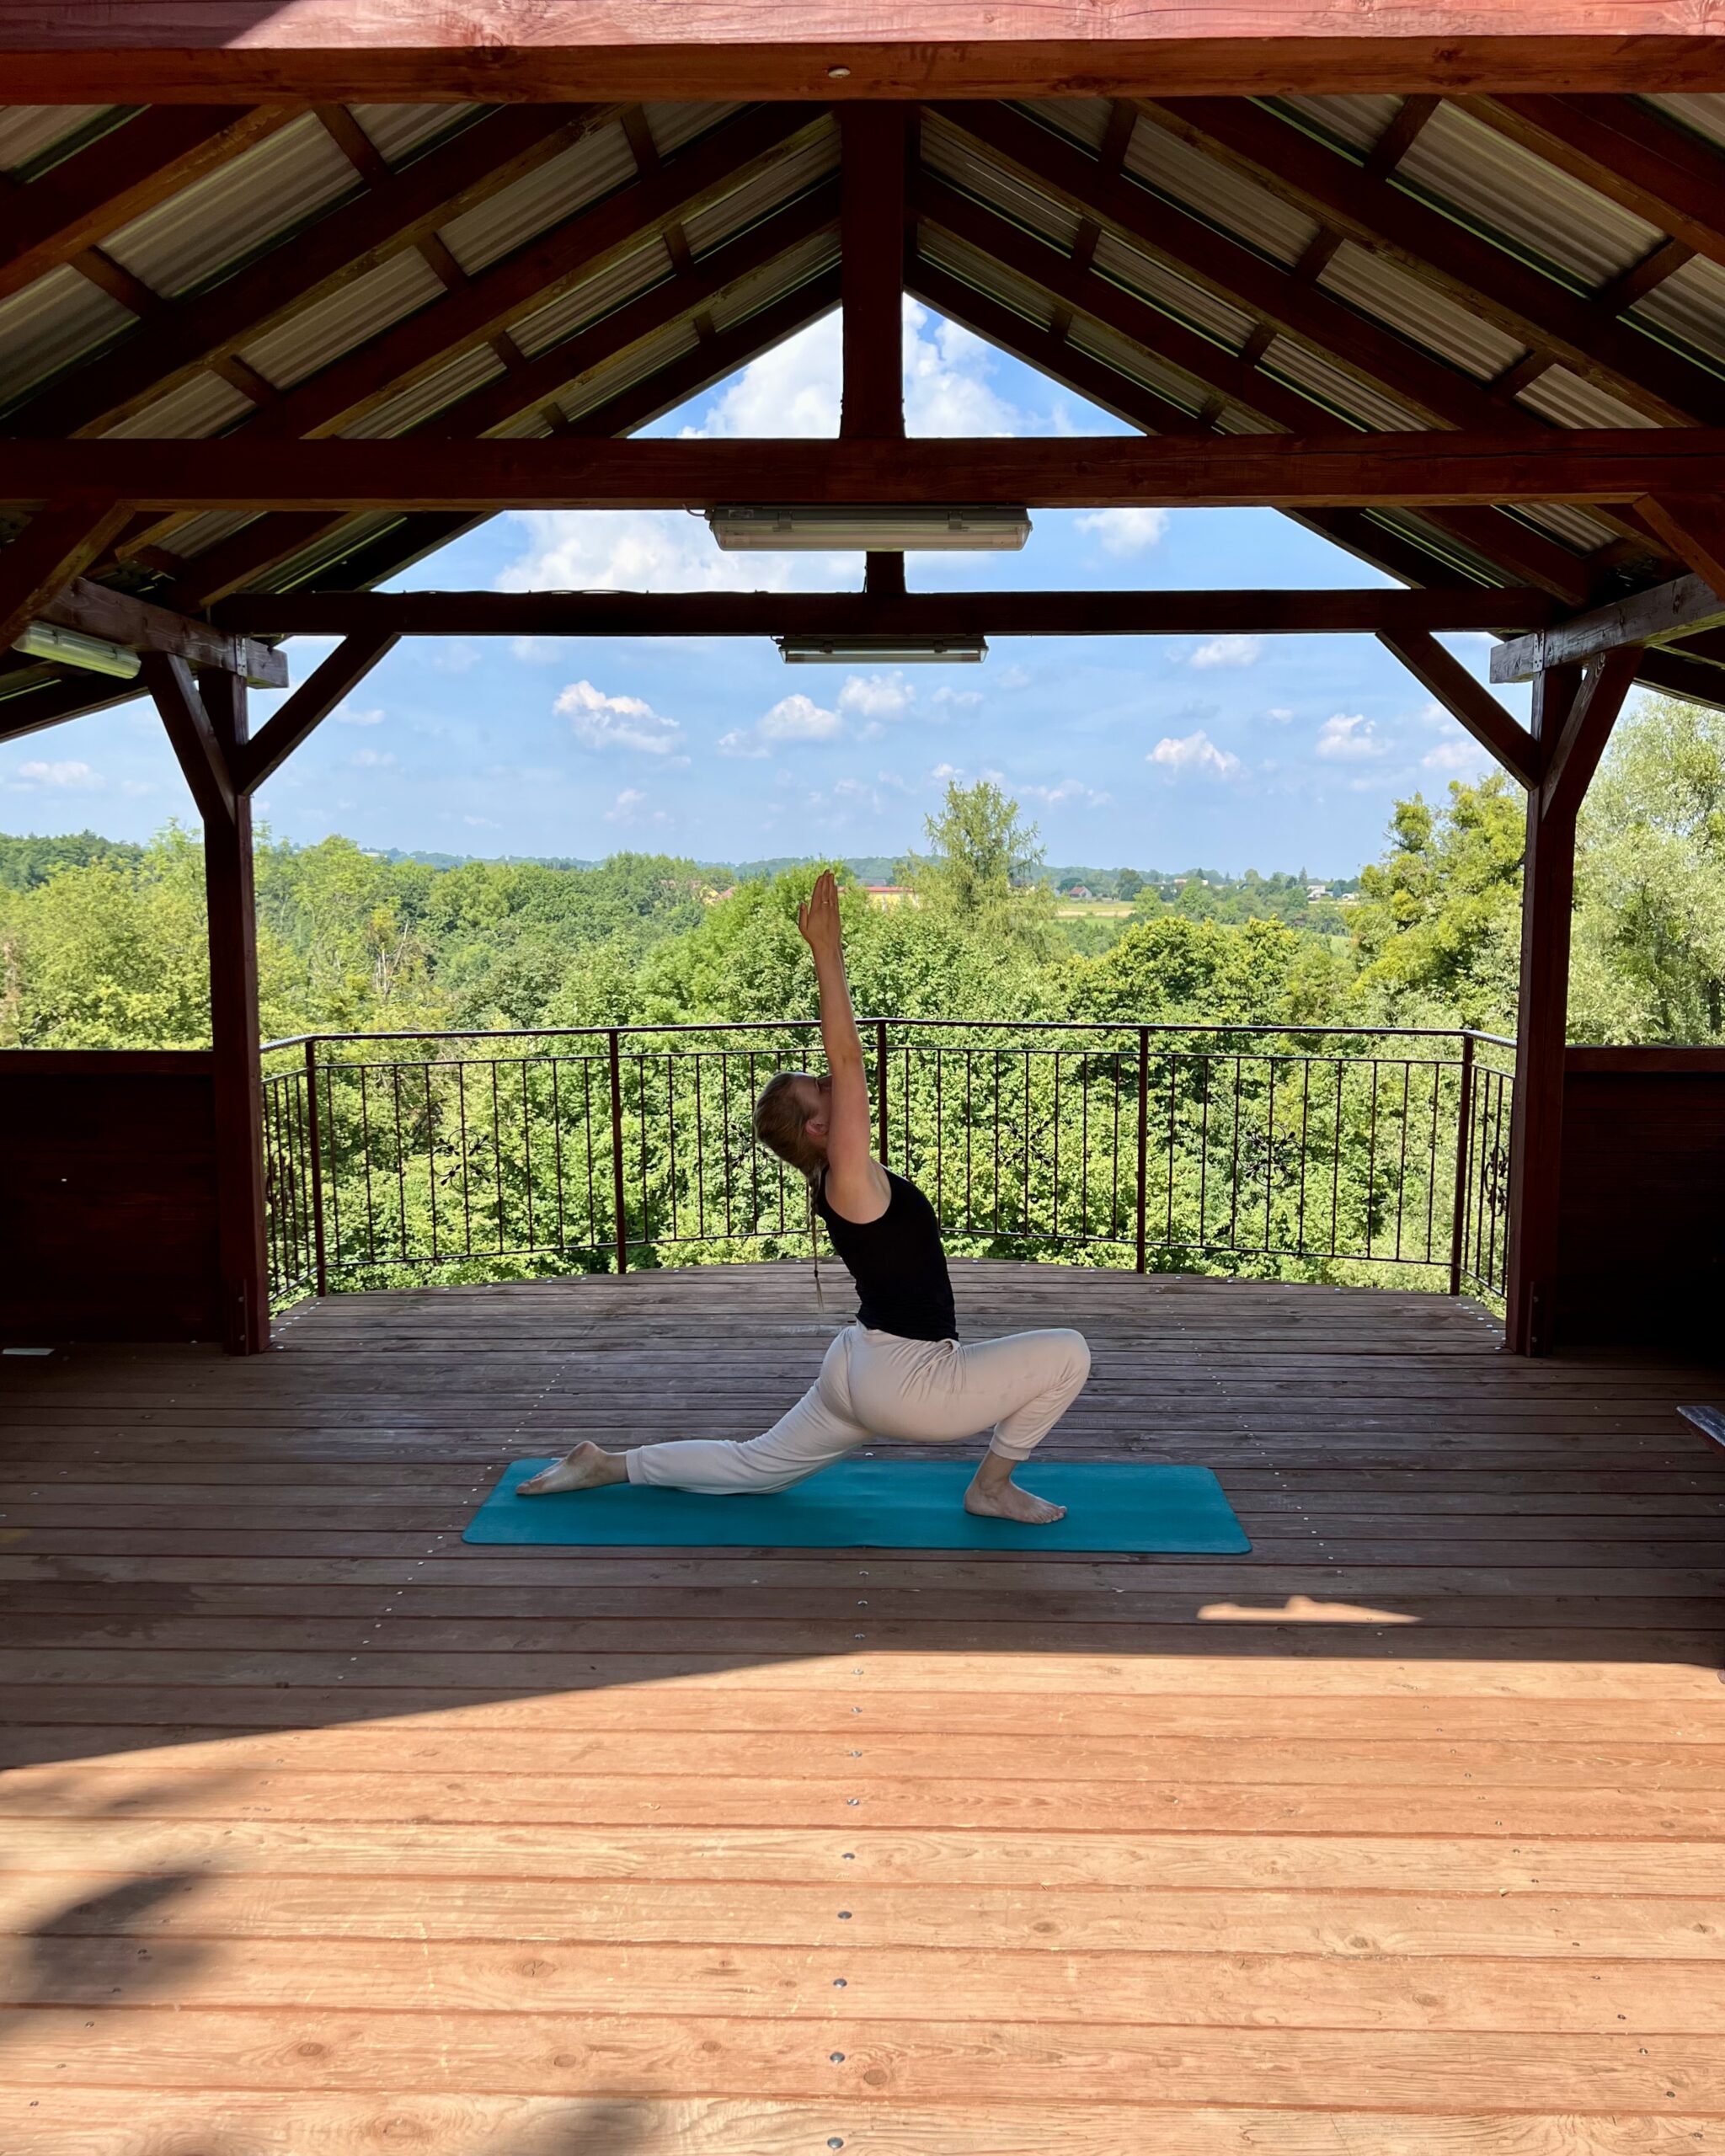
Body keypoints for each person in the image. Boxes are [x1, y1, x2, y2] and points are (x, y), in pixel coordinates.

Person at [521, 869, 1091, 1524]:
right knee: (1069, 1352)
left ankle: (607, 1464)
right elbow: (848, 1058)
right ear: (819, 1129)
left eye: (820, 1078)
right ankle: (989, 1488)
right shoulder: (845, 1176)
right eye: (818, 1089)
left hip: (858, 1364)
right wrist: (826, 949)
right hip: (906, 1381)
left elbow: (843, 1068)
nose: (829, 1080)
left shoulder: (837, 1179)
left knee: (756, 1467)